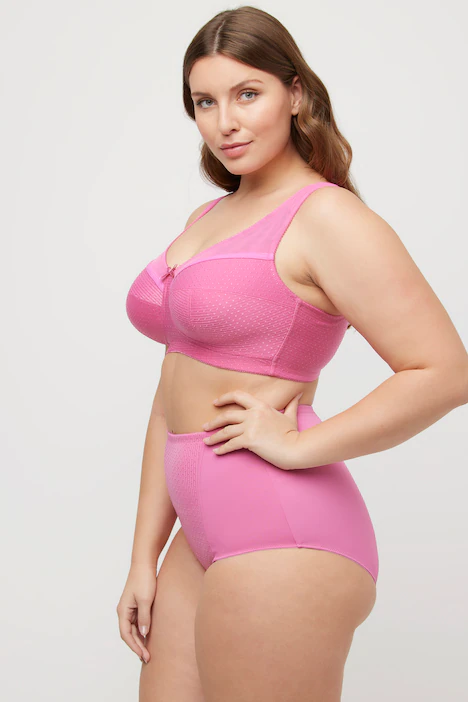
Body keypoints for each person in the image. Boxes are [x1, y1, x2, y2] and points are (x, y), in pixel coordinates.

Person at [117, 6, 468, 701]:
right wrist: (141, 558)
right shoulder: (205, 219)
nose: (226, 122)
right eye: (205, 102)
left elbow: (445, 371)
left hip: (283, 529)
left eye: (248, 94)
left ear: (296, 94)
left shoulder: (325, 216)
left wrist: (301, 445)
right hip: (199, 532)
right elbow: (171, 392)